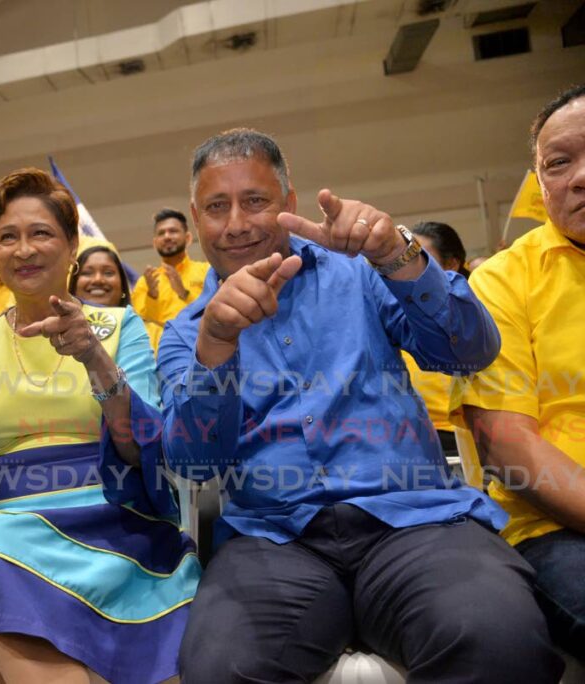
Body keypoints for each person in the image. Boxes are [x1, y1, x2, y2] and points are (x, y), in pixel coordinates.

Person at [159, 128, 562, 682]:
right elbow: (192, 464)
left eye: (255, 201)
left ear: (289, 204)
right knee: (222, 669)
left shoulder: (359, 272)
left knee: (500, 640)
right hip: (275, 541)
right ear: (195, 217)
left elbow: (470, 351)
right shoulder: (188, 333)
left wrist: (399, 256)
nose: (236, 224)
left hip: (415, 523)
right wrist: (217, 346)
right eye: (216, 207)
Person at [0, 168, 200, 684]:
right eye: (8, 237)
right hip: (8, 527)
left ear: (71, 247)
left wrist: (94, 358)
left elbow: (141, 451)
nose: (24, 249)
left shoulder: (118, 326)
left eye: (41, 233)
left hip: (112, 520)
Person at [455, 83, 585, 662]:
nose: (579, 176)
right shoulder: (502, 281)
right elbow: (508, 445)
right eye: (559, 164)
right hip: (556, 529)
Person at [401, 221, 469, 458]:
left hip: (463, 436)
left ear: (452, 264)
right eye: (407, 257)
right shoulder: (396, 310)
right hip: (415, 437)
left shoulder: (473, 318)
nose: (412, 266)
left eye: (421, 258)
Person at [130, 208, 209, 350]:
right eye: (161, 233)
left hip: (203, 347)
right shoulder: (145, 282)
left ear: (188, 238)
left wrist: (185, 294)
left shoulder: (206, 270)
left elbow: (215, 311)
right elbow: (140, 324)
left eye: (173, 231)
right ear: (155, 243)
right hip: (162, 352)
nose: (167, 236)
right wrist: (152, 296)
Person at [68, 243, 131, 308]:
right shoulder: (58, 317)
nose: (98, 279)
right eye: (87, 273)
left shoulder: (135, 317)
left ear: (122, 285)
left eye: (108, 273)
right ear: (74, 284)